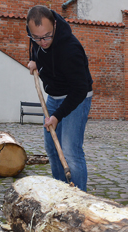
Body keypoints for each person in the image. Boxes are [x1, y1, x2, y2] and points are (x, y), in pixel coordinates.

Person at [27, 5, 93, 192]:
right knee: (52, 150)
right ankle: (61, 192)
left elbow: (79, 90)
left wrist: (57, 116)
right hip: (53, 96)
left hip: (76, 97)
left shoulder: (70, 49)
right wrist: (34, 60)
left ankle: (79, 198)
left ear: (55, 25)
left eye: (47, 36)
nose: (43, 41)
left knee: (70, 152)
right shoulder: (36, 38)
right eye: (37, 37)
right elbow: (35, 47)